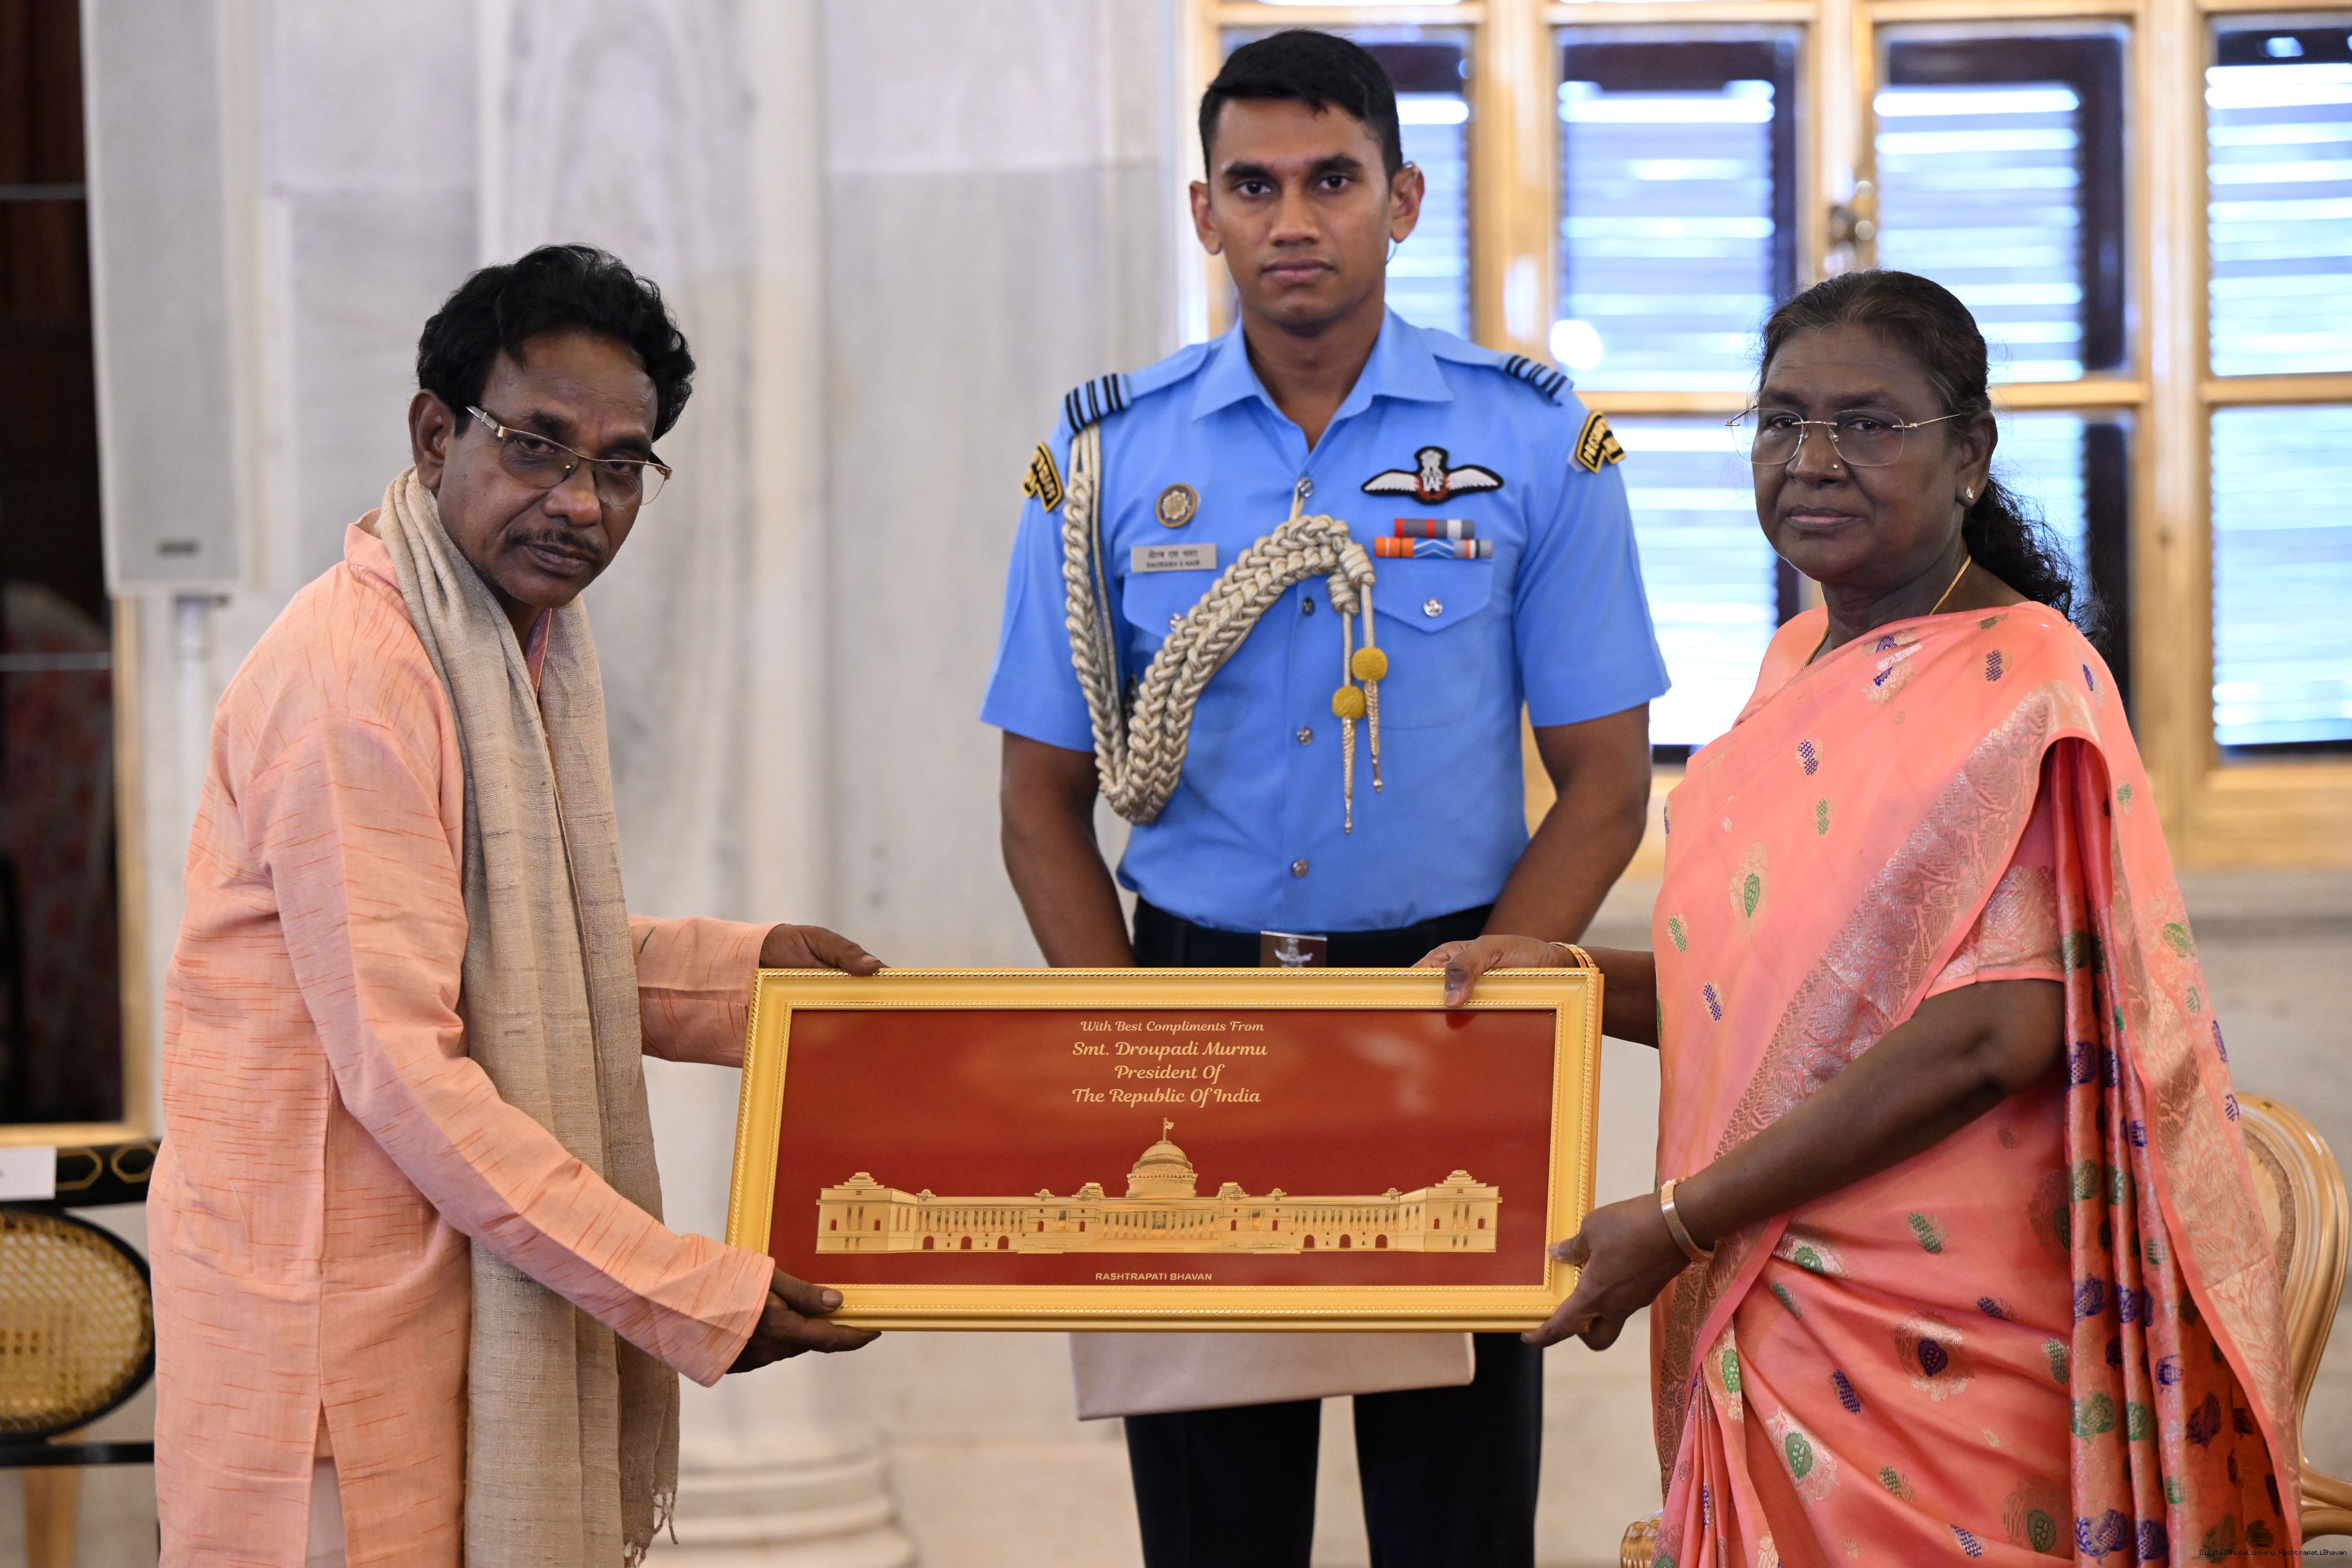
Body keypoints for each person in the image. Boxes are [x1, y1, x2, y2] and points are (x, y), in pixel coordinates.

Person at [1428, 270, 2298, 1566]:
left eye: (1868, 424)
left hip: (1949, 1339)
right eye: (1781, 421)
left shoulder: (2026, 681)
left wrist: (1681, 1221)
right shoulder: (1796, 668)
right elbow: (1769, 1005)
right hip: (1772, 1294)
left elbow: (1993, 1034)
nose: (1813, 459)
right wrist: (1565, 975)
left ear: (1970, 455)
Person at [982, 29, 1668, 1568]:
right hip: (1193, 1001)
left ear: (1403, 200)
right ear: (1203, 212)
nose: (1292, 219)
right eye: (1254, 185)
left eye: (1333, 180)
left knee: (1455, 1510)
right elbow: (1039, 801)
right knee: (1214, 1517)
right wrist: (1124, 1046)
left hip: (1451, 1006)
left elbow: (1607, 782)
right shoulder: (1103, 457)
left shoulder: (1530, 439)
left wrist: (1507, 980)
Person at [152, 244, 878, 1568]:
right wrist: (690, 1291)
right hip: (332, 1347)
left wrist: (759, 980)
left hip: (453, 1295)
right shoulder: (359, 686)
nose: (581, 503)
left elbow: (515, 954)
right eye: (537, 446)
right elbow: (411, 1073)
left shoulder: (500, 638)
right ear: (437, 435)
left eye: (621, 466)